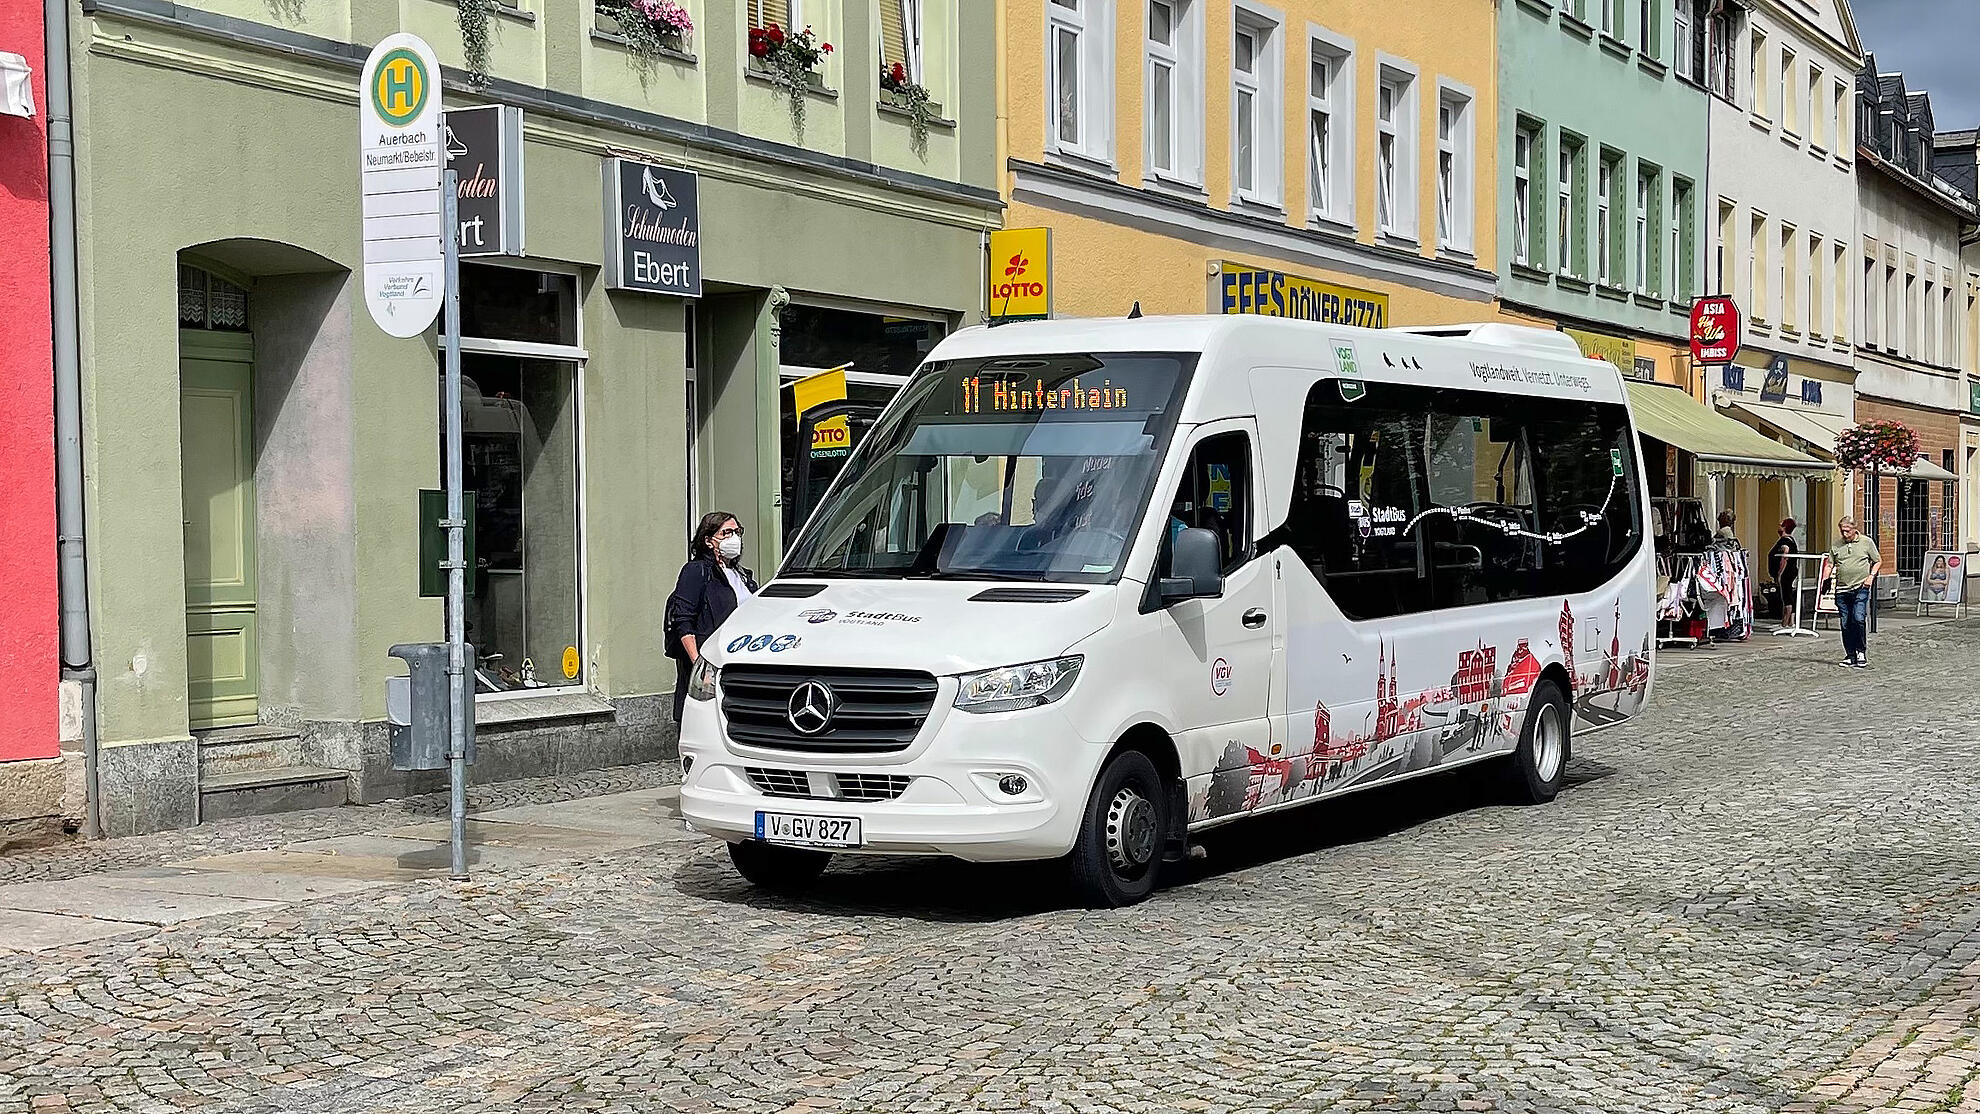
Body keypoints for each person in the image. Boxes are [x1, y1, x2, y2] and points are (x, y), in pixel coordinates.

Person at [666, 512, 756, 721]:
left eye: (737, 532)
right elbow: (683, 620)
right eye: (726, 533)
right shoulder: (697, 571)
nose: (734, 538)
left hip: (738, 665)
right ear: (708, 540)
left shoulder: (742, 575)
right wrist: (700, 666)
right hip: (710, 666)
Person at [1827, 516, 1881, 669]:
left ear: (1855, 529)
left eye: (1847, 531)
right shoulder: (1837, 545)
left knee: (1858, 618)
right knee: (1845, 623)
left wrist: (1871, 576)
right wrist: (1825, 580)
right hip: (1842, 589)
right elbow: (1830, 564)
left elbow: (1877, 560)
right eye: (1842, 531)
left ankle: (1861, 651)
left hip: (1861, 587)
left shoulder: (1866, 542)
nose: (1845, 534)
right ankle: (1850, 654)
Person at [1770, 518, 1800, 628]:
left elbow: (1785, 556)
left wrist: (1779, 573)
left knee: (1786, 596)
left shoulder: (1785, 541)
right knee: (1789, 595)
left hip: (1786, 572)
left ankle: (1785, 622)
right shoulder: (1791, 540)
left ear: (1784, 527)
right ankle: (1791, 622)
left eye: (1780, 525)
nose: (1778, 527)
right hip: (1791, 571)